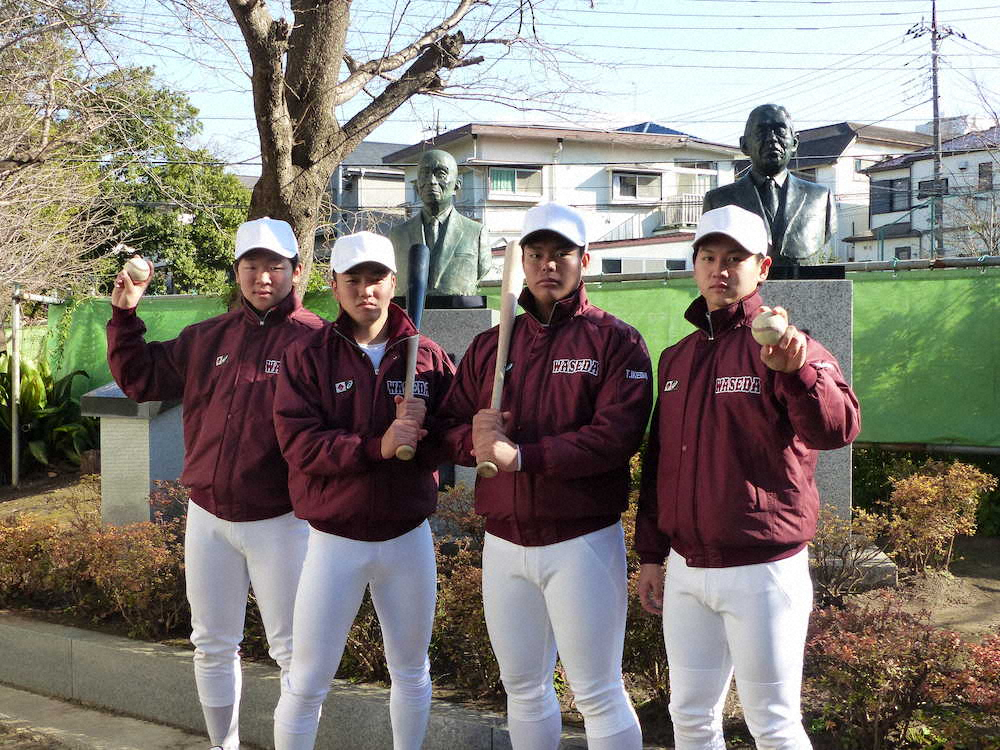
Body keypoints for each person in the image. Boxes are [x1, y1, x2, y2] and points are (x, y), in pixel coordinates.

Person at [635, 204, 861, 749]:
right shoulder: (677, 358)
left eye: (735, 258)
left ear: (762, 267)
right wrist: (650, 554)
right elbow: (660, 458)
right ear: (694, 266)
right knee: (689, 716)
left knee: (774, 723)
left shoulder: (787, 347)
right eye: (709, 256)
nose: (720, 268)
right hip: (687, 569)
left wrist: (799, 373)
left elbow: (839, 428)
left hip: (763, 570)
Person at [438, 202, 652, 750]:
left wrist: (525, 456)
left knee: (597, 690)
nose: (547, 264)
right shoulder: (491, 345)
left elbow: (615, 438)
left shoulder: (615, 340)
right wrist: (474, 440)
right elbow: (447, 429)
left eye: (561, 253)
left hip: (580, 538)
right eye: (536, 254)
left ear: (585, 260)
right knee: (523, 688)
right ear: (522, 260)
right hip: (504, 539)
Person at [106, 217, 325, 750]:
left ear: (296, 271)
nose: (263, 277)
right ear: (237, 270)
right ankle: (220, 744)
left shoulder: (317, 340)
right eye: (251, 264)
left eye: (275, 265)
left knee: (294, 650)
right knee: (210, 643)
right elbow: (141, 379)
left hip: (283, 519)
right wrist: (126, 312)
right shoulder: (208, 336)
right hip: (207, 515)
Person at [271, 231, 455, 750]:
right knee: (307, 680)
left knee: (412, 670)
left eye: (376, 278)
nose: (365, 289)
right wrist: (378, 444)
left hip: (407, 537)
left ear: (394, 283)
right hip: (334, 542)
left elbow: (450, 435)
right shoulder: (308, 355)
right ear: (333, 284)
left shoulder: (428, 358)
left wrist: (432, 433)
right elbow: (301, 445)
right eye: (353, 278)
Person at [702, 104, 836, 266]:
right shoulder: (717, 201)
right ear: (744, 145)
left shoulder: (820, 197)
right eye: (761, 132)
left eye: (780, 131)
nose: (772, 138)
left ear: (795, 142)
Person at [389, 149, 491, 297]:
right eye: (425, 174)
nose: (431, 181)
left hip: (460, 311)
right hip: (408, 312)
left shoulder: (476, 233)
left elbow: (483, 268)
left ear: (457, 184)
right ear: (417, 185)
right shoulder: (398, 235)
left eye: (440, 174)